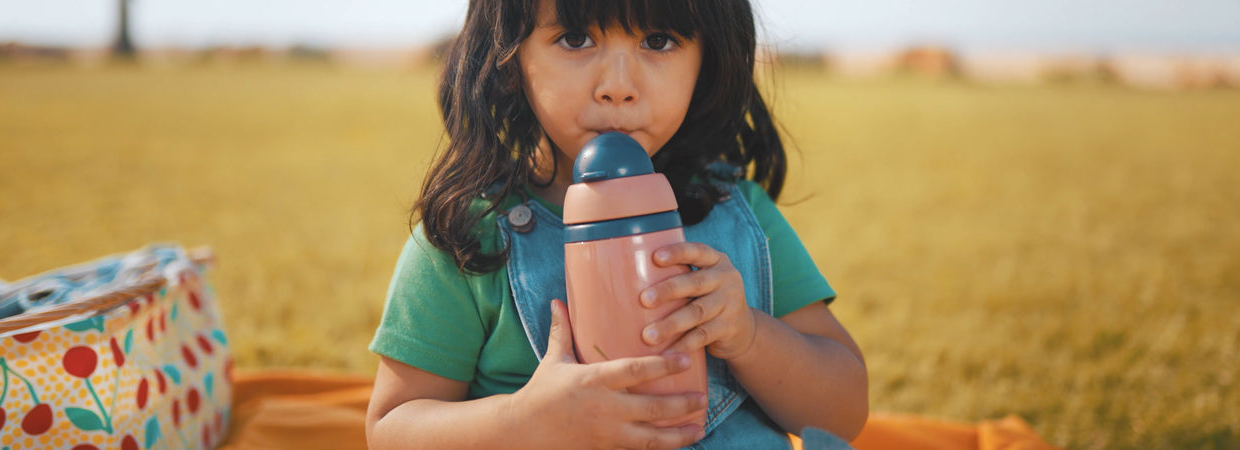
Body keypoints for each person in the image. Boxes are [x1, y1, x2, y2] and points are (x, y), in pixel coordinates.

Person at [365, 0, 868, 448]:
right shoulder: (467, 236)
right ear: (510, 58)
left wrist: (751, 337)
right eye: (576, 39)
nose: (618, 88)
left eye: (658, 41)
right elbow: (391, 428)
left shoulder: (740, 215)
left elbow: (843, 411)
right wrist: (521, 421)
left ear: (708, 60)